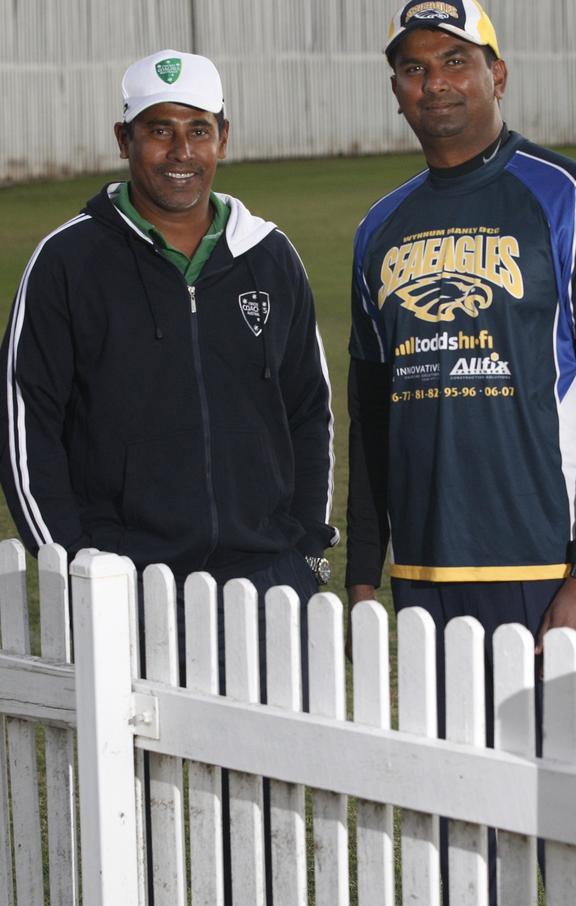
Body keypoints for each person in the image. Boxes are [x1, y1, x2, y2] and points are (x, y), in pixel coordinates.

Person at [345, 0, 576, 906]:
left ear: (496, 73)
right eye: (414, 68)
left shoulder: (570, 193)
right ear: (397, 89)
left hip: (542, 576)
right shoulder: (378, 228)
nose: (435, 83)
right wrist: (363, 573)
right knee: (449, 834)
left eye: (455, 62)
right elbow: (371, 416)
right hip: (427, 580)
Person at [1, 48, 337, 609]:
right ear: (123, 138)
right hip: (126, 585)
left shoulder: (270, 256)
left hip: (267, 583)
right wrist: (74, 563)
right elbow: (25, 426)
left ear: (223, 138)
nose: (181, 152)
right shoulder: (66, 262)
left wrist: (304, 551)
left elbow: (309, 410)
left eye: (198, 130)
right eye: (159, 130)